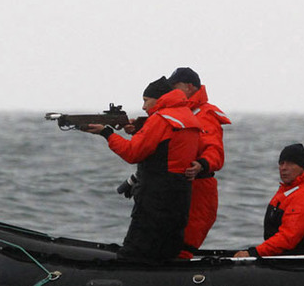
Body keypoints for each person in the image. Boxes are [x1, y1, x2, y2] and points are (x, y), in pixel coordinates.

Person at [84, 77, 201, 261]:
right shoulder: (187, 116)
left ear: (160, 98)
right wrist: (139, 130)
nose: (144, 107)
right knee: (167, 250)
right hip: (180, 195)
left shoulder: (160, 119)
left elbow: (132, 153)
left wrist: (107, 134)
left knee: (135, 250)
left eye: (146, 100)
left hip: (156, 196)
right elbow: (168, 146)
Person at [167, 67, 231, 258]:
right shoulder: (179, 113)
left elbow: (215, 150)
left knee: (185, 244)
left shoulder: (205, 114)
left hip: (199, 188)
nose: (171, 91)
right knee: (170, 242)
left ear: (189, 87)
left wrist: (202, 164)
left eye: (174, 86)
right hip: (179, 187)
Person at [234, 143, 304, 258]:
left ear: (302, 167)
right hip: (283, 257)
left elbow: (288, 237)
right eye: (281, 163)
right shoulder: (288, 191)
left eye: (290, 163)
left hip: (300, 264)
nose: (284, 168)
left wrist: (255, 253)